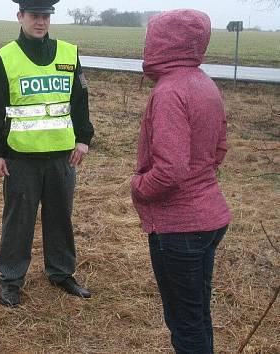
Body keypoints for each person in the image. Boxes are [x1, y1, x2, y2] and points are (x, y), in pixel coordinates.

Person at [0, 0, 95, 307]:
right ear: (21, 16)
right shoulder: (4, 58)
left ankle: (61, 273)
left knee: (61, 218)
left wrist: (83, 138)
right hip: (21, 157)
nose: (41, 21)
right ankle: (10, 279)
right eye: (34, 15)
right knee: (18, 222)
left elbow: (80, 99)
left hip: (62, 156)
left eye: (46, 16)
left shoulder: (69, 53)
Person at [131, 9, 231, 354]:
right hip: (211, 217)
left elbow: (169, 171)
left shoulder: (170, 91)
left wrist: (138, 187)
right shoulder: (204, 83)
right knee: (198, 314)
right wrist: (200, 178)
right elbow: (219, 148)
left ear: (163, 41)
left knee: (184, 324)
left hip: (180, 227)